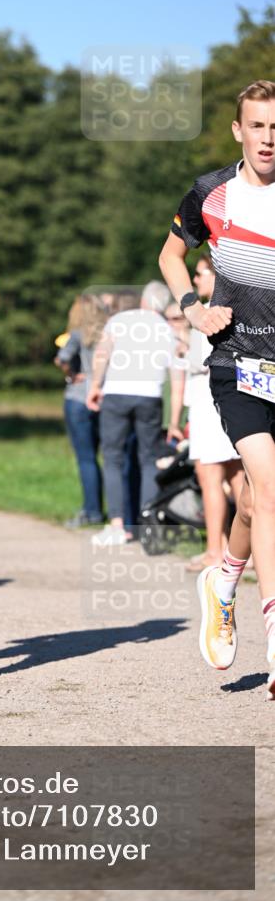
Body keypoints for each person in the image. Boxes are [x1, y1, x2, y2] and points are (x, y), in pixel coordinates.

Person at [159, 79, 275, 700]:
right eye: (258, 125)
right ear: (239, 130)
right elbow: (170, 256)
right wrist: (193, 308)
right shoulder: (212, 194)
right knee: (268, 484)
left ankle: (224, 581)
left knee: (257, 508)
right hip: (238, 363)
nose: (269, 136)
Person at [86, 281, 186, 546]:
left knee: (113, 459)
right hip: (150, 396)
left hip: (116, 393)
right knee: (149, 460)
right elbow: (177, 383)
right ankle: (148, 525)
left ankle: (118, 525)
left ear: (143, 299)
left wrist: (95, 385)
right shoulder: (168, 331)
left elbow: (101, 355)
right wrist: (174, 422)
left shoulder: (119, 320)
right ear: (164, 305)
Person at [184, 255, 244, 573]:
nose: (194, 280)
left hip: (209, 400)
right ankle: (245, 551)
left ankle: (215, 550)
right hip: (231, 399)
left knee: (209, 476)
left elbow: (196, 362)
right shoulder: (238, 310)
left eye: (199, 273)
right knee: (238, 475)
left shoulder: (208, 315)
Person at [55, 293, 106, 528]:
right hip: (105, 398)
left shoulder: (76, 335)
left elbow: (62, 358)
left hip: (78, 398)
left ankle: (92, 511)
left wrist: (71, 375)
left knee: (86, 459)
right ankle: (118, 512)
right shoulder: (109, 335)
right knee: (111, 459)